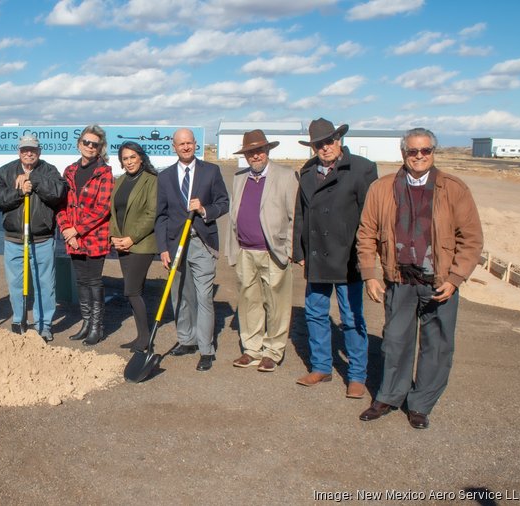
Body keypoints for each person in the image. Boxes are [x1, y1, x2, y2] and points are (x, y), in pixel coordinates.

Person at [356, 128, 483, 429]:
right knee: (395, 341)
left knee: (436, 345)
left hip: (439, 282)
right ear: (403, 154)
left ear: (433, 153)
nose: (419, 157)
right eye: (413, 151)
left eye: (426, 150)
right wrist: (370, 274)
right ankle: (389, 396)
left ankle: (421, 403)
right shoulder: (382, 188)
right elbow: (366, 234)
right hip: (399, 279)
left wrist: (455, 278)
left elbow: (472, 239)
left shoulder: (453, 188)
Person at [292, 118, 377, 397]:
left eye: (329, 141)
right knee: (315, 313)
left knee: (352, 318)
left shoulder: (362, 169)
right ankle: (321, 367)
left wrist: (369, 257)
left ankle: (356, 375)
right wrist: (300, 251)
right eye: (319, 144)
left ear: (338, 140)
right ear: (313, 147)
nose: (325, 147)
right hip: (317, 254)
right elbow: (301, 216)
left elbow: (370, 216)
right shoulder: (306, 174)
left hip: (348, 256)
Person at [224, 130, 299, 373]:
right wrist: (232, 248)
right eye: (250, 152)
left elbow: (294, 216)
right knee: (248, 302)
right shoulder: (239, 177)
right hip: (246, 250)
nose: (255, 156)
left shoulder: (286, 176)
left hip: (273, 251)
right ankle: (252, 349)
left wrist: (289, 249)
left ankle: (273, 351)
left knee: (276, 303)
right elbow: (234, 216)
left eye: (259, 150)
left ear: (267, 151)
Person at [156, 128, 229, 371]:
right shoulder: (165, 176)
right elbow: (161, 216)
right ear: (174, 147)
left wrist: (205, 209)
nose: (186, 147)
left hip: (201, 241)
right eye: (181, 144)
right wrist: (163, 249)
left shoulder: (211, 171)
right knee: (180, 295)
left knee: (204, 296)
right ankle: (186, 339)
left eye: (189, 143)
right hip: (176, 244)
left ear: (195, 144)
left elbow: (223, 203)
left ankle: (206, 348)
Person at [0, 135, 67, 341]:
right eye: (24, 150)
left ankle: (44, 324)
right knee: (15, 283)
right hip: (14, 238)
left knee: (45, 283)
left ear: (39, 152)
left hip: (41, 238)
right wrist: (18, 193)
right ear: (18, 151)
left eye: (32, 150)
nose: (28, 153)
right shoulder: (6, 171)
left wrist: (34, 180)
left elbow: (59, 193)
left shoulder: (49, 171)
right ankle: (18, 319)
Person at [56, 125, 114, 346]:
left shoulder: (105, 173)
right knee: (81, 281)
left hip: (94, 236)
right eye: (86, 143)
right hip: (73, 237)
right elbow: (61, 204)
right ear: (79, 144)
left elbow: (102, 208)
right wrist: (66, 230)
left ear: (100, 148)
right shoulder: (70, 171)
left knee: (94, 280)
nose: (90, 147)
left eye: (95, 144)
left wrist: (77, 230)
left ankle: (97, 327)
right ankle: (86, 322)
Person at [109, 141, 158, 352]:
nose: (129, 162)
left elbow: (152, 213)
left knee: (131, 291)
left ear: (141, 157)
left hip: (141, 244)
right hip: (122, 244)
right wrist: (115, 237)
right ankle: (141, 336)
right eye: (125, 158)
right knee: (134, 291)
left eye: (132, 157)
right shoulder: (120, 181)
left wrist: (132, 238)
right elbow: (114, 211)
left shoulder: (152, 180)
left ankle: (145, 339)